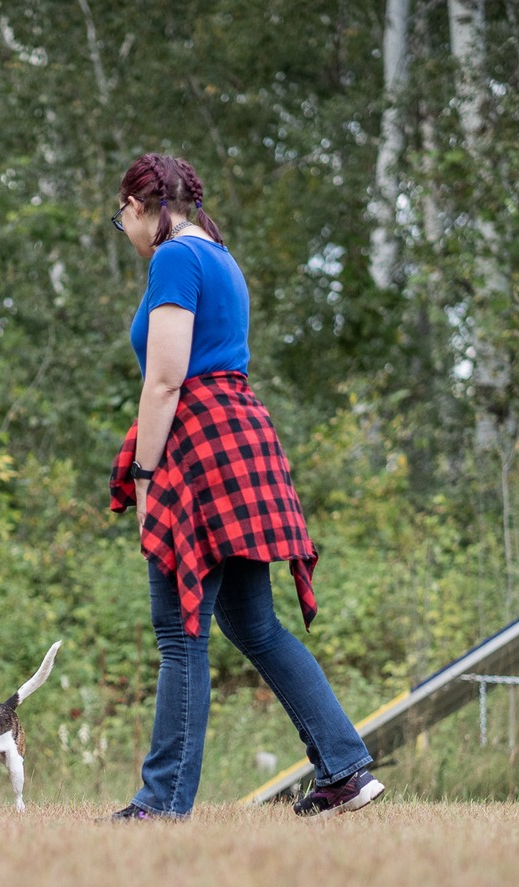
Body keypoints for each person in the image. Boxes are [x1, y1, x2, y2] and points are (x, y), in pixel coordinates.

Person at [104, 153, 383, 821]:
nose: (123, 227)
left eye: (121, 216)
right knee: (254, 624)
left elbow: (166, 378)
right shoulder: (221, 257)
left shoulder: (173, 258)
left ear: (143, 206)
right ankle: (344, 769)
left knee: (179, 630)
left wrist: (144, 476)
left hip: (200, 448)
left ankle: (161, 802)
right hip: (243, 443)